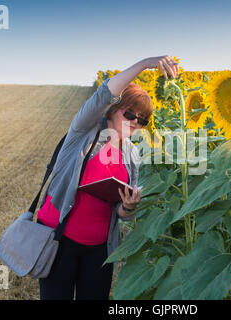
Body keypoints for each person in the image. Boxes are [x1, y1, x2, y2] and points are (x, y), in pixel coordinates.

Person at [35, 56, 180, 300]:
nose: (136, 122)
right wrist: (145, 64)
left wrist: (128, 206)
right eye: (130, 114)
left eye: (143, 120)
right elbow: (105, 92)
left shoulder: (131, 154)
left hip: (100, 250)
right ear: (113, 110)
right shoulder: (84, 131)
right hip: (59, 240)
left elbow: (122, 212)